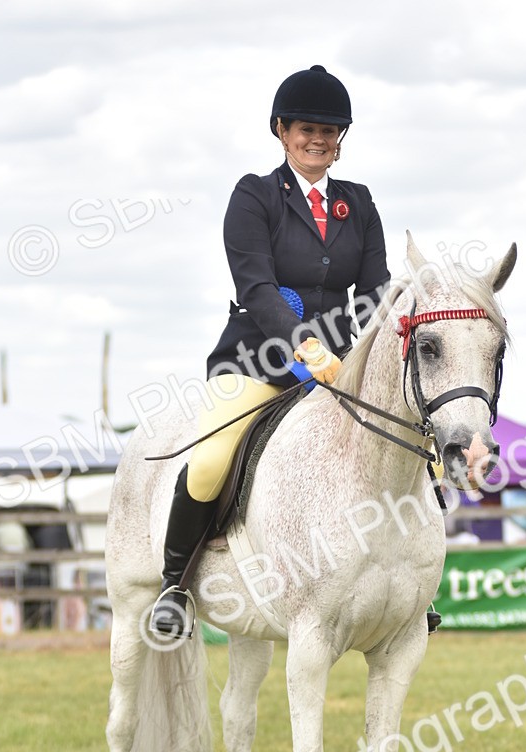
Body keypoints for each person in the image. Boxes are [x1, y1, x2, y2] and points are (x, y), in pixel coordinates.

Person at [151, 64, 391, 636]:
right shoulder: (255, 195)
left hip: (338, 367)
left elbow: (376, 293)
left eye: (330, 131)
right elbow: (255, 286)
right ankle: (175, 585)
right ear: (281, 130)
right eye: (307, 127)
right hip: (258, 359)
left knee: (404, 445)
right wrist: (305, 344)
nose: (318, 139)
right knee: (209, 462)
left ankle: (403, 584)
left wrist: (374, 355)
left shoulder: (358, 204)